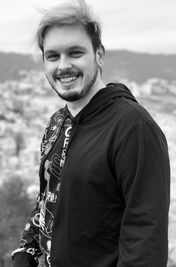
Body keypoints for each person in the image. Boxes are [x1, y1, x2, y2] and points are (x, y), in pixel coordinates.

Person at [12, 0, 170, 266]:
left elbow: (145, 239)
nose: (63, 66)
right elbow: (47, 197)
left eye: (75, 53)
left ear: (99, 55)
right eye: (53, 56)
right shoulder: (57, 122)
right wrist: (27, 250)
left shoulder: (133, 127)